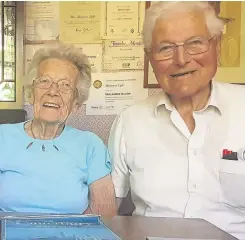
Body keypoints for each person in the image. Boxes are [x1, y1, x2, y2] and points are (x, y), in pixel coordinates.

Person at [108, 1, 245, 239]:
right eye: (165, 48)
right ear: (150, 58)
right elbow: (109, 210)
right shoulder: (130, 122)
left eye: (195, 43)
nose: (181, 59)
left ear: (217, 46)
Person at [0, 43, 117, 216]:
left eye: (65, 85)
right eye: (44, 81)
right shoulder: (3, 137)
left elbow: (105, 215)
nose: (53, 91)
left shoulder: (90, 145)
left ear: (76, 104)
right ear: (31, 94)